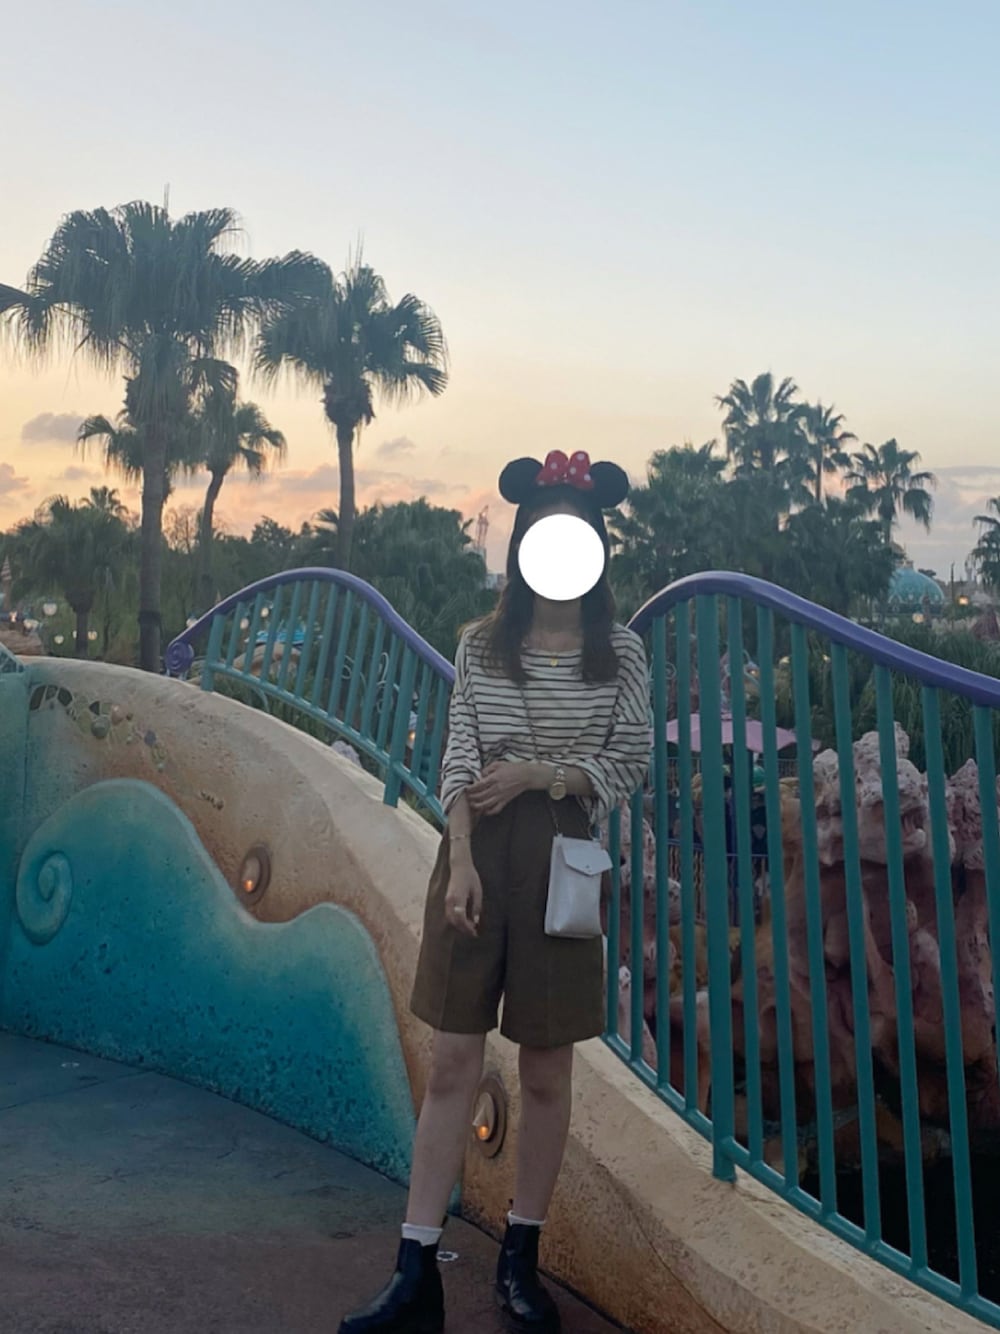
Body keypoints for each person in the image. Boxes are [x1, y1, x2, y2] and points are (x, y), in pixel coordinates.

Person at [338, 450, 652, 1333]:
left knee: (546, 1070)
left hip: (563, 859)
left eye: (575, 532)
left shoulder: (621, 651)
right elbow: (460, 755)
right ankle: (414, 1270)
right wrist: (463, 857)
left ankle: (521, 1256)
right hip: (476, 853)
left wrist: (541, 776)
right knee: (452, 1061)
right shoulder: (481, 643)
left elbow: (629, 757)